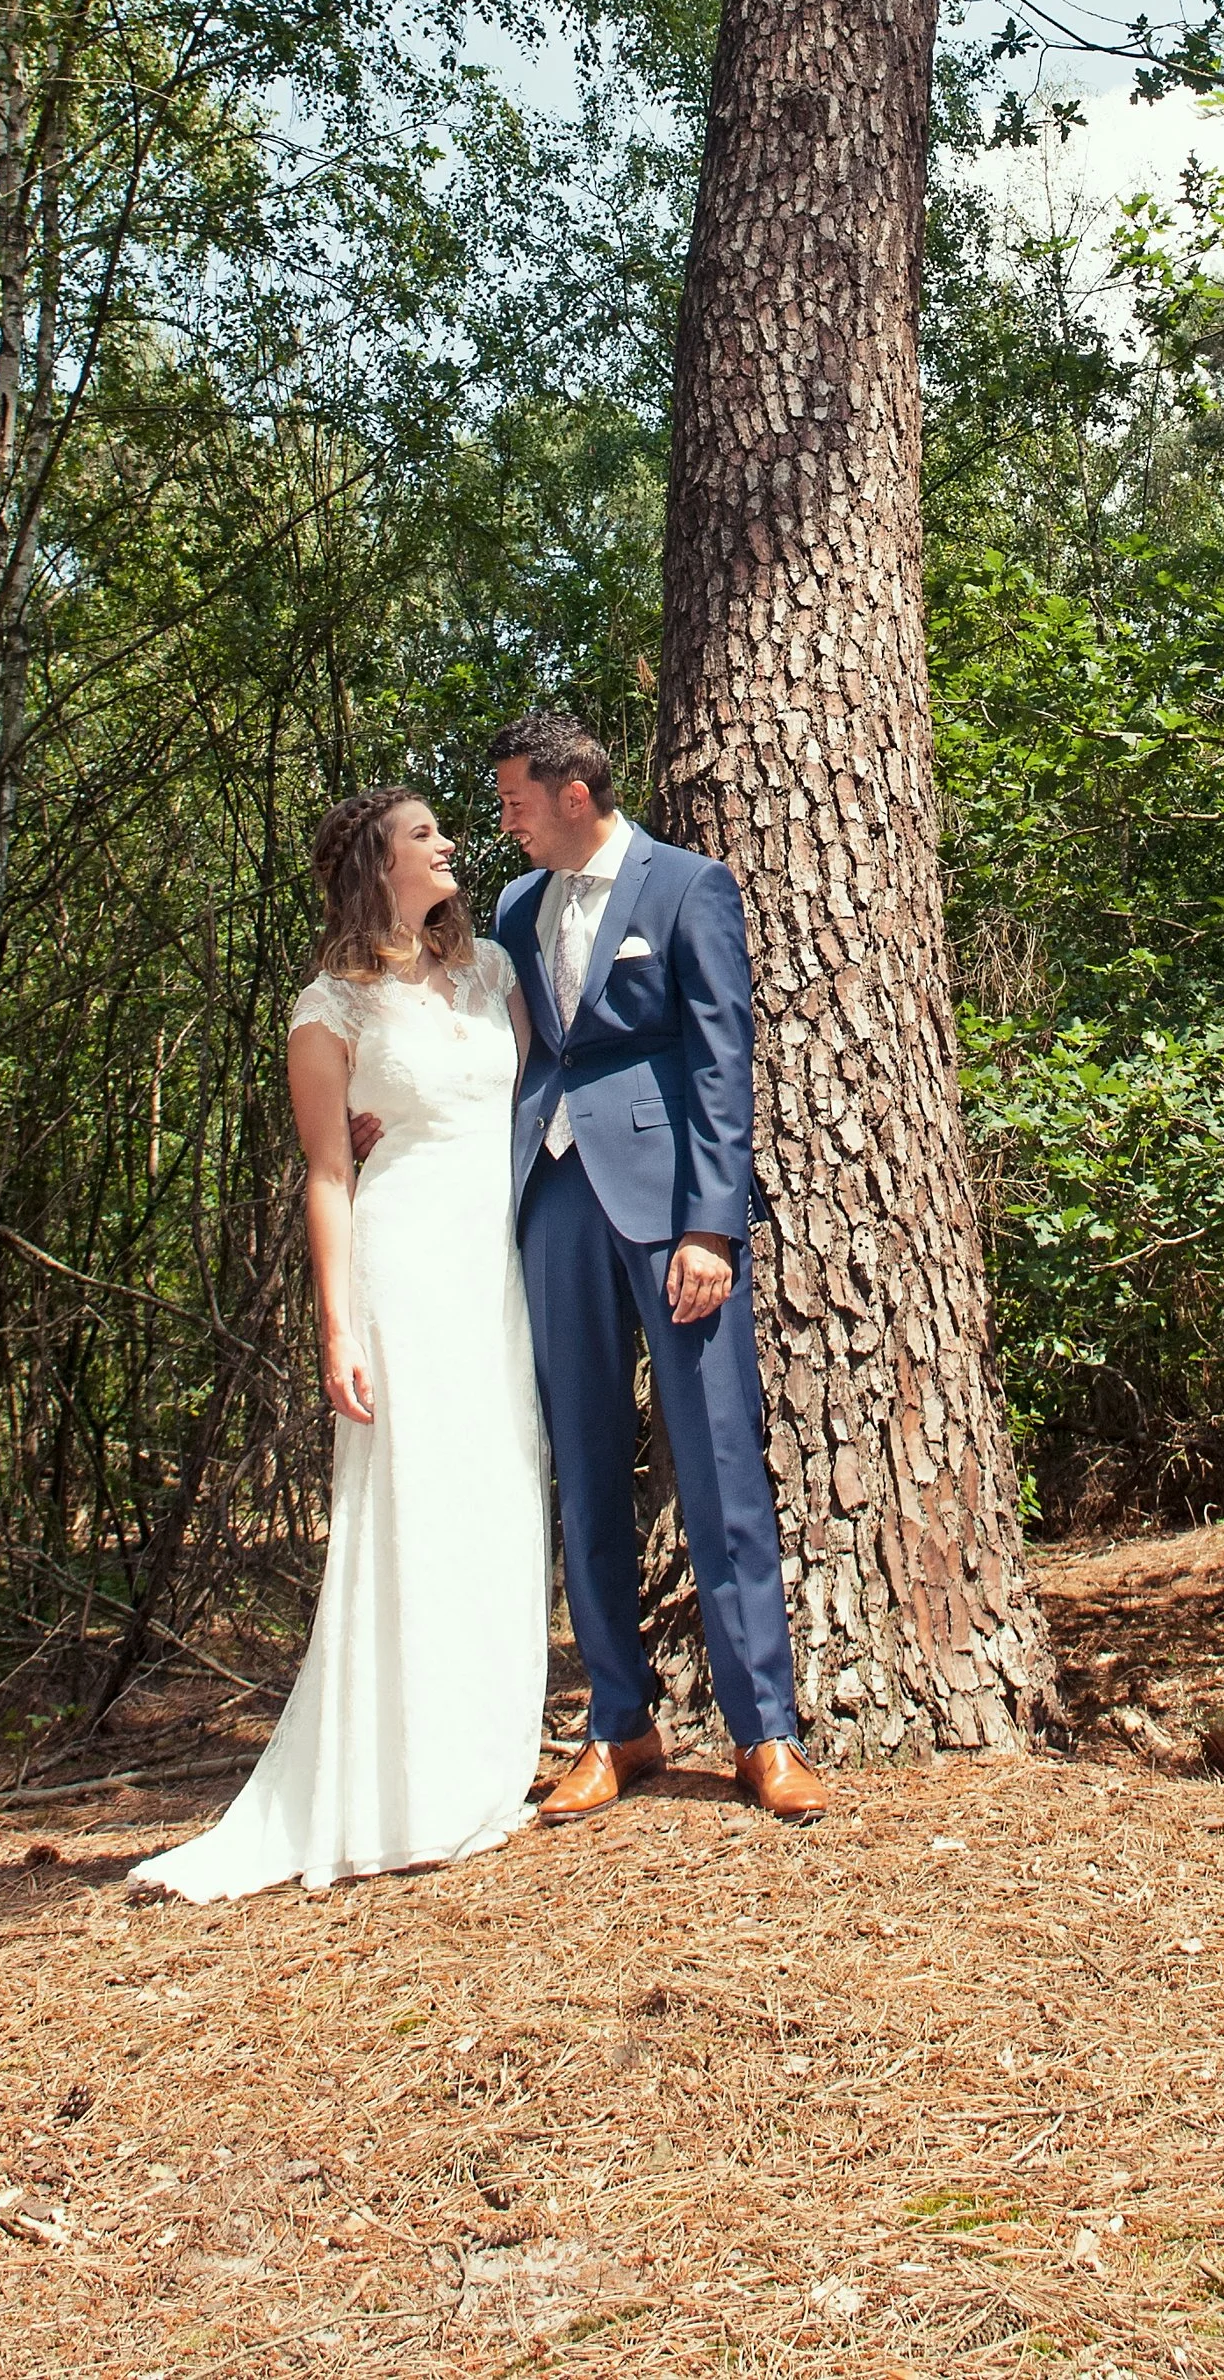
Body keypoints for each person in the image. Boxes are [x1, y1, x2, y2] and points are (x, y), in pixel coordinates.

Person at [128, 792, 548, 1898]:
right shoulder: (328, 1009)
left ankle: (488, 1753)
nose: (449, 843)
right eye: (425, 834)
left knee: (498, 1490)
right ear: (376, 860)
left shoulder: (494, 971)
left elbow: (542, 1097)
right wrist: (337, 1324)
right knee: (411, 1502)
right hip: (402, 1263)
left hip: (495, 1264)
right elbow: (328, 1172)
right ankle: (399, 1776)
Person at [489, 711, 830, 1824]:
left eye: (516, 802)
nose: (506, 822)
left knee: (718, 1455)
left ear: (574, 793)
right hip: (552, 1201)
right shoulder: (510, 908)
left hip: (669, 1210)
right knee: (581, 1465)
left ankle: (763, 1731)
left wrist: (712, 1227)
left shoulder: (690, 886)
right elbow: (499, 1046)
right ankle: (617, 1722)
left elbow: (724, 1058)